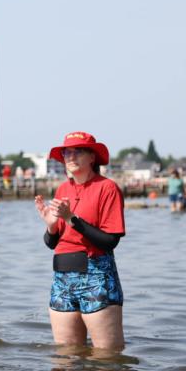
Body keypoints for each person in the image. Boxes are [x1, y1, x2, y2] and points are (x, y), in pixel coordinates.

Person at [34, 131, 125, 350]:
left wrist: (72, 219)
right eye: (67, 152)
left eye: (78, 151)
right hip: (62, 279)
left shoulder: (107, 188)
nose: (71, 156)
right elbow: (53, 243)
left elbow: (110, 241)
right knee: (66, 357)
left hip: (96, 276)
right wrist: (51, 225)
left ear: (92, 157)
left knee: (107, 358)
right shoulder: (63, 189)